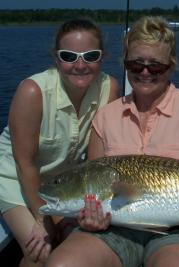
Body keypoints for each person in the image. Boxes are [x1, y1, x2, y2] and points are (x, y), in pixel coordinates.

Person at [45, 16, 179, 267]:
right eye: (136, 65)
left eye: (156, 66)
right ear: (126, 65)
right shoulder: (106, 117)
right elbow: (92, 186)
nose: (145, 72)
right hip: (114, 229)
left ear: (171, 66)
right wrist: (89, 217)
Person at [0, 18, 120, 266]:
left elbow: (100, 153)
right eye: (68, 56)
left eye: (90, 56)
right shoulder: (33, 92)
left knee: (75, 245)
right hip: (15, 179)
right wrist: (41, 216)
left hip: (64, 183)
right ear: (56, 58)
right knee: (40, 250)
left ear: (102, 57)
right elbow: (25, 164)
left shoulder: (109, 88)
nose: (79, 65)